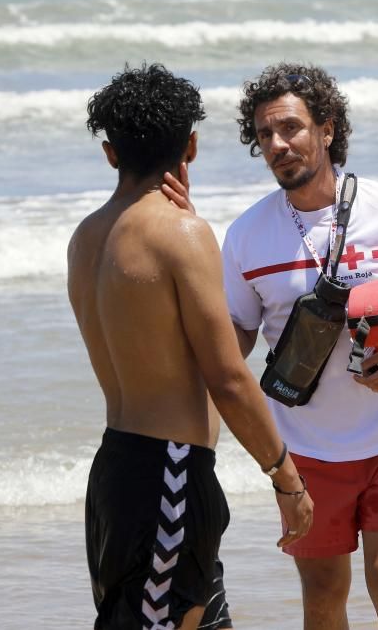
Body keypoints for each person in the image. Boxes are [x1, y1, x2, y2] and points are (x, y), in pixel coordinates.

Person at [165, 63, 378, 630]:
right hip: (306, 450)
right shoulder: (246, 236)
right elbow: (236, 334)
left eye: (290, 128)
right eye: (264, 135)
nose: (277, 145)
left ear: (327, 129)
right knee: (323, 595)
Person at [68, 63, 314, 630]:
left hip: (114, 472)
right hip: (170, 478)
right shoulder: (182, 236)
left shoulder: (84, 239)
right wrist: (286, 477)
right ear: (192, 146)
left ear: (111, 154)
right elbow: (226, 376)